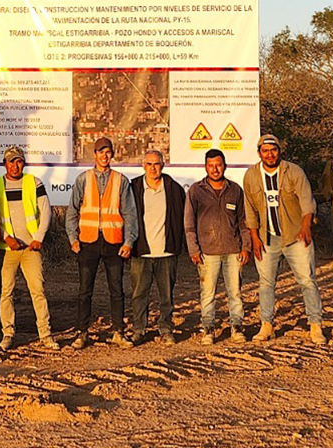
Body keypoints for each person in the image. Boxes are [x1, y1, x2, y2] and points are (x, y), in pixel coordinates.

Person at [243, 134, 324, 344]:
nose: (269, 155)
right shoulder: (251, 175)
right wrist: (254, 238)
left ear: (279, 151)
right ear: (259, 153)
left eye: (273, 150)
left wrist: (306, 227)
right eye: (265, 151)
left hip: (295, 235)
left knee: (307, 280)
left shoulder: (293, 171)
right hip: (266, 237)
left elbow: (307, 201)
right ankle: (266, 326)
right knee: (266, 283)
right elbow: (249, 209)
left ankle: (315, 325)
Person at [65, 136, 137, 348]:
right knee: (85, 290)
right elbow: (72, 211)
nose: (104, 156)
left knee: (117, 290)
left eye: (108, 152)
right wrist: (73, 238)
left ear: (112, 154)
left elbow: (130, 213)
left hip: (114, 242)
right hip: (88, 242)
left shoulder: (120, 180)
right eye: (100, 152)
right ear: (94, 154)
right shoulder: (83, 179)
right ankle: (82, 332)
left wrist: (129, 242)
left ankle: (118, 331)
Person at [0, 145, 59, 350]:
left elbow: (45, 211)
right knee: (6, 292)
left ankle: (45, 334)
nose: (15, 165)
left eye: (19, 161)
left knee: (38, 290)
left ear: (24, 163)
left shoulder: (34, 182)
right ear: (5, 164)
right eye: (11, 161)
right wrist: (6, 237)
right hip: (7, 250)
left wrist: (39, 237)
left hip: (31, 248)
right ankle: (7, 334)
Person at [185, 148, 251, 344]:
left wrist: (245, 247)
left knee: (235, 291)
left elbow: (243, 221)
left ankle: (237, 327)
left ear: (225, 166)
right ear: (206, 167)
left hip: (233, 250)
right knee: (208, 292)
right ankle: (208, 329)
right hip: (207, 252)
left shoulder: (235, 190)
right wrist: (193, 249)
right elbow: (189, 223)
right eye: (211, 165)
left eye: (218, 165)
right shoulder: (196, 191)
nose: (215, 169)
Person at [129, 150, 185, 344]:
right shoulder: (133, 187)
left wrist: (178, 244)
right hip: (141, 251)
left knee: (166, 296)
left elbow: (181, 218)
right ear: (143, 166)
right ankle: (139, 329)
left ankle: (166, 329)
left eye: (157, 164)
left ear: (163, 165)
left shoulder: (174, 189)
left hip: (166, 251)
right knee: (139, 294)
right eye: (149, 164)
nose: (153, 168)